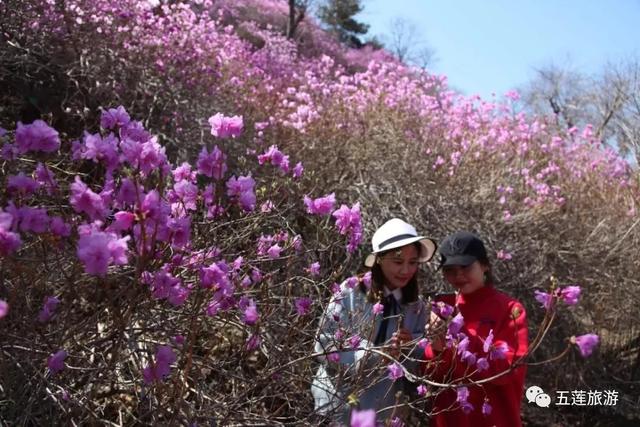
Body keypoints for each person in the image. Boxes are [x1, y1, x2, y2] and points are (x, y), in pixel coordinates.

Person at [311, 218, 437, 423]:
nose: (406, 270)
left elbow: (420, 360)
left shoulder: (416, 307)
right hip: (338, 404)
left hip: (384, 410)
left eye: (413, 262)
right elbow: (324, 343)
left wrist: (408, 349)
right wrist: (375, 354)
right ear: (379, 259)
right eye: (398, 262)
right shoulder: (351, 292)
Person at [423, 231, 528, 427]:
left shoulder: (510, 310)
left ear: (485, 265)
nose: (458, 275)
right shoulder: (442, 308)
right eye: (450, 270)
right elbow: (429, 373)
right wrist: (436, 349)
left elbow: (507, 370)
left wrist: (456, 349)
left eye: (466, 267)